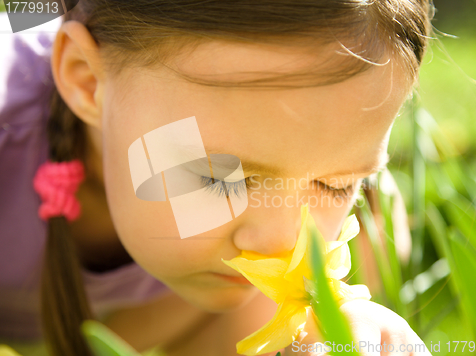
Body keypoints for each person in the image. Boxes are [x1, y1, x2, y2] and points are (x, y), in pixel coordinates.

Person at [0, 1, 435, 355]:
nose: (281, 244)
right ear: (88, 80)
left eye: (335, 184)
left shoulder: (361, 231)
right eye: (217, 177)